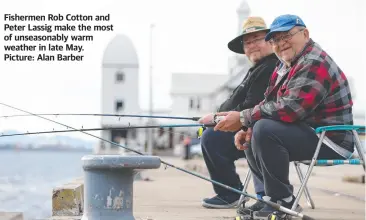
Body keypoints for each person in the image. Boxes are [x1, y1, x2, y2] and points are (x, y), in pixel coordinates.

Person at [213, 14, 354, 218]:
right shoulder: (284, 65)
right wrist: (247, 127)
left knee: (264, 129)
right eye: (276, 40)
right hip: (309, 132)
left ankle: (282, 201)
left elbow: (290, 109)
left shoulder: (314, 61)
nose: (281, 43)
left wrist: (243, 118)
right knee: (255, 130)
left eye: (287, 36)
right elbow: (269, 102)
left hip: (332, 139)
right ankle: (269, 198)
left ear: (305, 34)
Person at [197, 16, 278, 212]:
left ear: (270, 40)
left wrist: (217, 119)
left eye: (257, 39)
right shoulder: (256, 68)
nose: (252, 46)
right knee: (210, 134)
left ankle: (230, 194)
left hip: (255, 128)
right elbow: (236, 100)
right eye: (247, 42)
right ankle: (230, 192)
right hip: (245, 125)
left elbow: (252, 104)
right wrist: (216, 117)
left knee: (212, 138)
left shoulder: (271, 66)